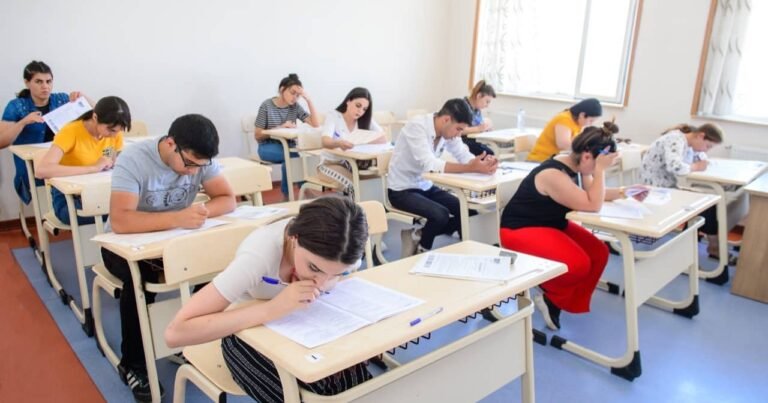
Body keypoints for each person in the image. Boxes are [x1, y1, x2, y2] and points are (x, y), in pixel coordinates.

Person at [165, 196, 370, 401]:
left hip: (311, 331)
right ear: (294, 238)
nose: (322, 284)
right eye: (314, 268)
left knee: (355, 387)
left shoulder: (345, 250)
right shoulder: (259, 255)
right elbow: (176, 333)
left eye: (336, 274)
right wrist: (272, 309)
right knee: (302, 395)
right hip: (246, 335)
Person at [101, 114, 236, 402]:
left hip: (172, 240)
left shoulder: (200, 159)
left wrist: (201, 213)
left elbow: (227, 199)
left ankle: (190, 340)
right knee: (140, 279)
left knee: (217, 268)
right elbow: (121, 221)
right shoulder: (134, 159)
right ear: (171, 144)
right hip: (123, 244)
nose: (192, 172)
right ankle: (134, 363)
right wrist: (177, 218)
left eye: (200, 167)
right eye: (189, 164)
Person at [499, 122, 648, 330]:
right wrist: (600, 170)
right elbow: (593, 204)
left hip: (552, 224)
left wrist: (625, 192)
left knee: (599, 253)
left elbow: (594, 194)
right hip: (520, 229)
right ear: (587, 156)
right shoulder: (553, 174)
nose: (597, 170)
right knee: (578, 265)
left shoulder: (579, 165)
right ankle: (550, 294)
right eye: (598, 164)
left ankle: (562, 301)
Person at [388, 98, 498, 256]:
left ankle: (417, 235)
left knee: (468, 211)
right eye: (458, 129)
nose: (459, 134)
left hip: (425, 186)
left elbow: (463, 154)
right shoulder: (417, 127)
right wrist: (470, 167)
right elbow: (430, 165)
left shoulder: (448, 132)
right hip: (401, 189)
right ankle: (421, 252)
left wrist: (481, 165)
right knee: (440, 215)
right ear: (446, 119)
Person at [35, 96, 131, 225]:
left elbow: (112, 156)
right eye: (111, 130)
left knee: (130, 208)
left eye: (118, 131)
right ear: (95, 117)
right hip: (69, 199)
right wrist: (93, 168)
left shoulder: (114, 133)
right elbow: (42, 171)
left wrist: (114, 162)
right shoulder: (71, 131)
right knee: (121, 213)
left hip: (99, 192)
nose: (114, 135)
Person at [0, 61, 86, 204]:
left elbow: (98, 117)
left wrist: (82, 98)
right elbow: (2, 142)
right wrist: (23, 122)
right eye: (39, 82)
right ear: (27, 83)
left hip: (63, 162)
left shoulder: (61, 99)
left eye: (48, 81)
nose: (45, 86)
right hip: (33, 167)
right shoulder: (16, 106)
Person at [640, 123, 728, 260]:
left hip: (666, 188)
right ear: (701, 136)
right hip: (656, 191)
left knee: (708, 202)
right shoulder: (675, 139)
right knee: (706, 207)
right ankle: (707, 248)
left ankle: (690, 248)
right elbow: (675, 167)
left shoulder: (687, 142)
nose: (707, 150)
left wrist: (700, 160)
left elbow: (699, 158)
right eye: (708, 146)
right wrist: (696, 167)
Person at [254, 73, 319, 198]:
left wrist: (309, 100)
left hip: (288, 147)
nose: (295, 98)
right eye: (292, 93)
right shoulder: (266, 106)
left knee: (289, 160)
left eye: (298, 95)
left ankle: (287, 195)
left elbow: (315, 124)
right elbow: (257, 135)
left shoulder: (295, 107)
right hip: (267, 147)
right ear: (282, 89)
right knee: (293, 157)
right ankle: (304, 190)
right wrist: (281, 127)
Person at [318, 87, 387, 198]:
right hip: (329, 164)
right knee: (354, 187)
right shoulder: (334, 116)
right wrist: (339, 143)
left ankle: (373, 208)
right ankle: (357, 209)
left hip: (352, 165)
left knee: (377, 182)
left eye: (364, 109)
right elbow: (325, 141)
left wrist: (363, 141)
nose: (360, 111)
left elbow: (383, 138)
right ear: (348, 101)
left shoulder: (364, 119)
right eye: (358, 105)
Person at [527, 98, 603, 162]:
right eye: (591, 120)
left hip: (554, 160)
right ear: (582, 115)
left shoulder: (578, 123)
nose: (590, 124)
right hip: (541, 160)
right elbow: (564, 145)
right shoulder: (564, 119)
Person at [460, 80, 497, 156]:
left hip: (474, 140)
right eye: (487, 101)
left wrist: (486, 128)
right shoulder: (463, 106)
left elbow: (478, 124)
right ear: (479, 96)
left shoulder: (477, 109)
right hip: (462, 141)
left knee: (490, 153)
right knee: (489, 154)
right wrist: (479, 128)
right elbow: (459, 130)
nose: (487, 105)